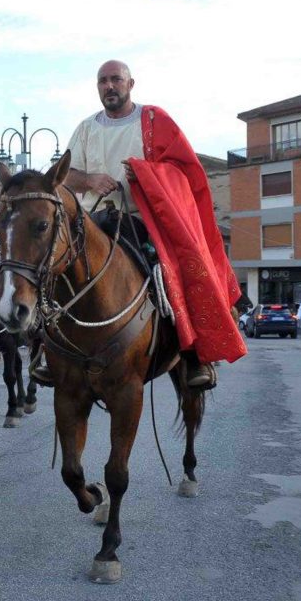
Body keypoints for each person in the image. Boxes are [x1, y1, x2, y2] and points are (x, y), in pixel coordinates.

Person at [57, 59, 245, 389]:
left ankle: (193, 356)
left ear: (130, 84)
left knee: (173, 271)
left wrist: (147, 174)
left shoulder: (155, 120)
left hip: (144, 221)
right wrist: (90, 179)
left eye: (116, 79)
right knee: (54, 267)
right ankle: (47, 351)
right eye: (103, 81)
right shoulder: (86, 128)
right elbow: (64, 175)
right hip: (93, 221)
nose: (109, 86)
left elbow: (184, 171)